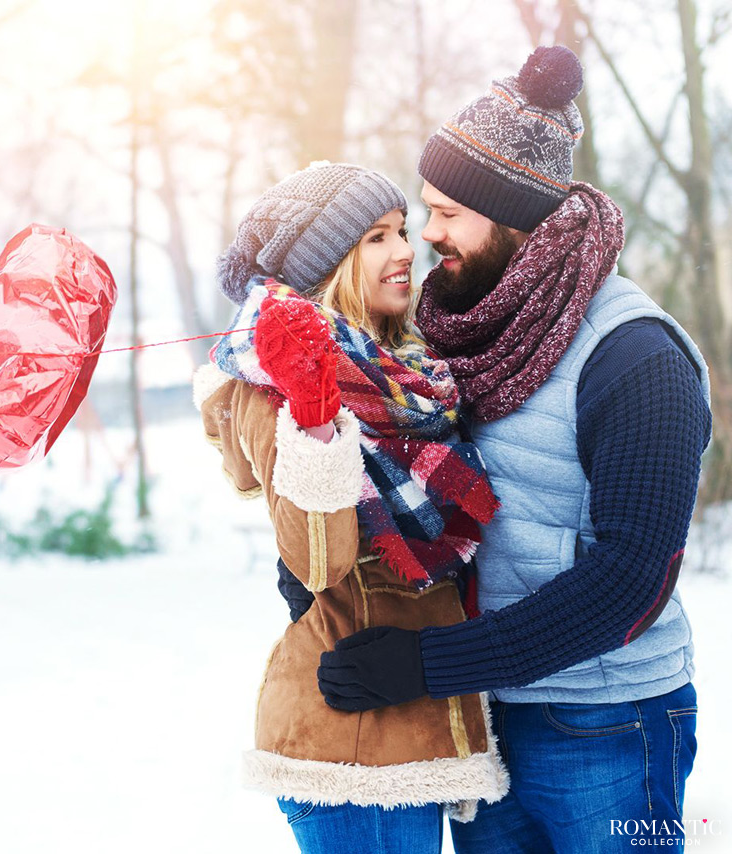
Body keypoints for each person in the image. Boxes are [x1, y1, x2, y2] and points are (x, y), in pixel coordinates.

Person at [314, 47, 712, 852]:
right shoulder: (462, 338)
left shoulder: (636, 357)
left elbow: (631, 581)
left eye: (448, 213)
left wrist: (430, 665)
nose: (428, 237)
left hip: (608, 722)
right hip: (486, 717)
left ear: (516, 215)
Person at [194, 162, 508, 853]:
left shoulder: (405, 369)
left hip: (407, 730)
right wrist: (312, 417)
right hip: (350, 745)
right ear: (327, 264)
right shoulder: (274, 382)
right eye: (375, 237)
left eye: (400, 231)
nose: (405, 251)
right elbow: (316, 561)